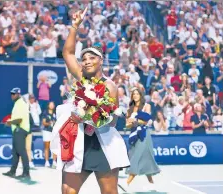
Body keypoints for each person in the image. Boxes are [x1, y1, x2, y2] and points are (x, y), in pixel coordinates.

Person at [50, 7, 129, 194]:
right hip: (77, 142)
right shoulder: (80, 77)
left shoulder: (110, 86)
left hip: (102, 144)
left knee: (109, 192)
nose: (86, 61)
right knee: (68, 191)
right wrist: (74, 26)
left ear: (100, 61)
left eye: (91, 58)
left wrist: (86, 117)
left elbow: (113, 121)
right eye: (84, 58)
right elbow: (68, 54)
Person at [125, 87, 160, 185]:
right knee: (137, 155)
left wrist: (134, 120)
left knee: (138, 156)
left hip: (143, 134)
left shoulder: (147, 106)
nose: (135, 95)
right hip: (133, 134)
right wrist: (131, 122)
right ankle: (149, 175)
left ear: (141, 95)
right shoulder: (129, 110)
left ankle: (128, 182)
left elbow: (145, 121)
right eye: (134, 94)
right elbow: (127, 125)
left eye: (137, 94)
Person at [2, 87, 30, 179]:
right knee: (15, 152)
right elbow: (17, 118)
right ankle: (12, 171)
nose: (12, 96)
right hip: (17, 130)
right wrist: (10, 122)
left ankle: (26, 173)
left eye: (14, 94)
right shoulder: (17, 103)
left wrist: (9, 122)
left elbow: (19, 119)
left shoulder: (21, 104)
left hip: (20, 130)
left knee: (22, 152)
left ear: (18, 94)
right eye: (11, 94)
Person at [41, 101, 57, 168]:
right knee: (47, 147)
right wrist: (49, 123)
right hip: (47, 131)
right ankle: (47, 162)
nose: (52, 105)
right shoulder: (45, 113)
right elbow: (43, 123)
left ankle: (54, 162)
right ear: (48, 105)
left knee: (54, 147)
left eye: (53, 104)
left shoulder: (55, 113)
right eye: (51, 104)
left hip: (54, 132)